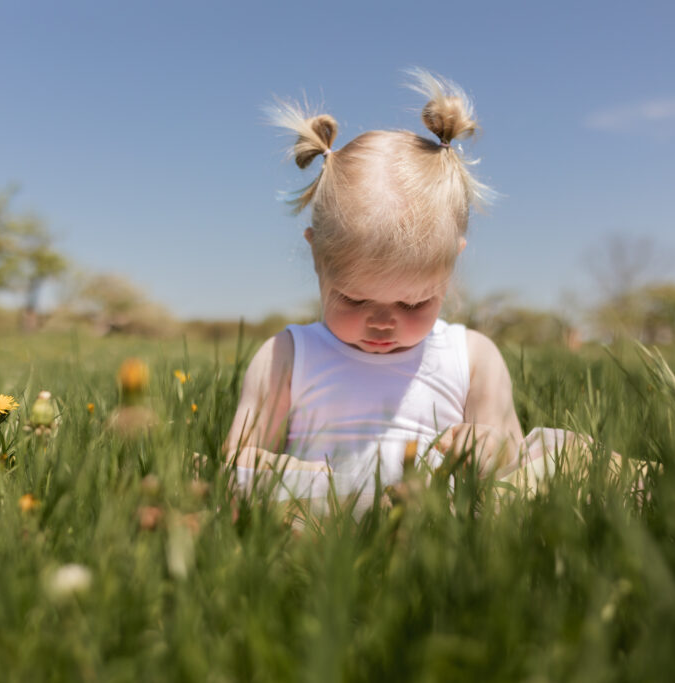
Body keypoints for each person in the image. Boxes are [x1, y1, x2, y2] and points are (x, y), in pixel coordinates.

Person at [224, 69, 588, 510]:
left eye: (413, 302)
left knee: (568, 462)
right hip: (324, 519)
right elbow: (239, 460)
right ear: (317, 257)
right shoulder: (288, 356)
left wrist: (486, 445)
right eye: (354, 299)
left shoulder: (471, 358)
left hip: (444, 519)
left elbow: (510, 456)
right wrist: (312, 476)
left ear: (451, 266)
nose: (382, 321)